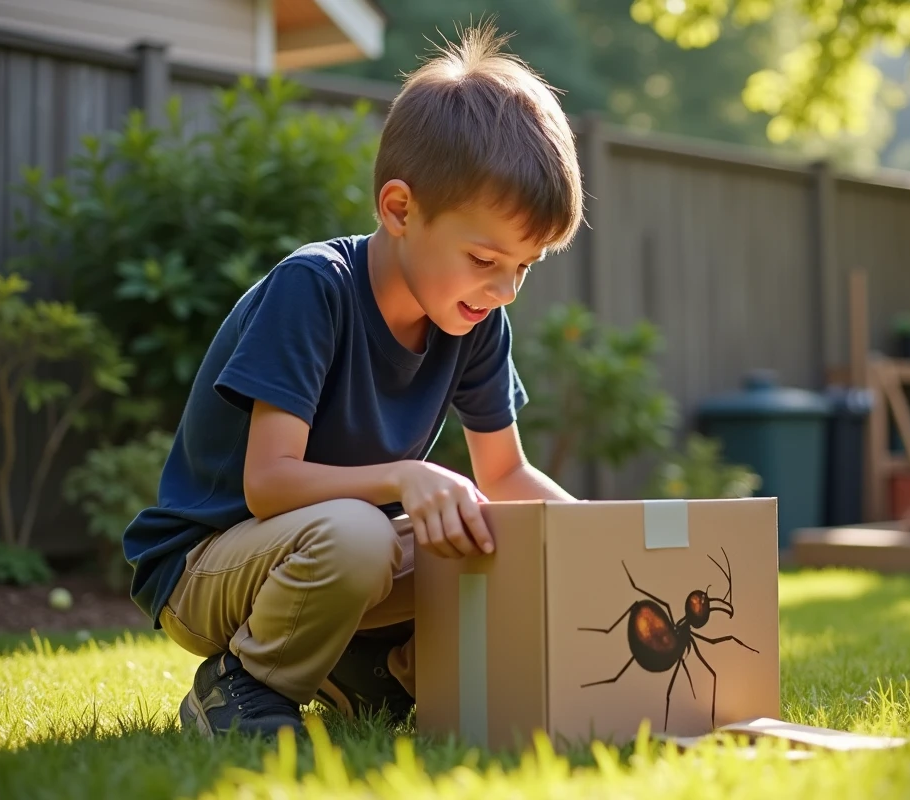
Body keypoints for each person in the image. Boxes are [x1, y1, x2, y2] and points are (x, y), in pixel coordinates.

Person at [121, 22, 584, 739]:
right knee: (362, 534)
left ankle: (373, 668)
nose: (506, 289)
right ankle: (240, 685)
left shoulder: (476, 321)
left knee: (496, 531)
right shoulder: (315, 290)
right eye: (487, 257)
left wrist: (600, 546)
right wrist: (406, 477)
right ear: (400, 210)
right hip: (207, 565)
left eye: (526, 266)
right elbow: (268, 485)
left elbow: (508, 475)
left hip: (326, 551)